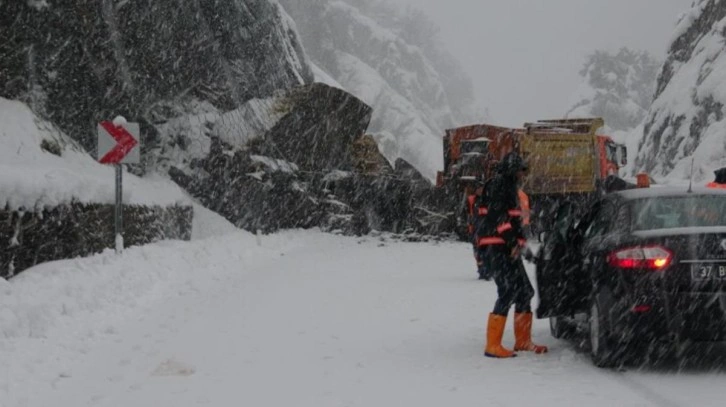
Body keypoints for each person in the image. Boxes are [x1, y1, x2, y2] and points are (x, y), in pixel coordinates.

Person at [476, 152, 548, 358]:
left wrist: (522, 246)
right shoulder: (499, 185)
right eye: (520, 171)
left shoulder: (511, 188)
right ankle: (492, 345)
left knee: (525, 292)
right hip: (496, 247)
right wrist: (511, 242)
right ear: (511, 170)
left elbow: (516, 222)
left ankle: (523, 341)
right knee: (507, 292)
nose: (522, 175)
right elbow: (500, 217)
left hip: (507, 247)